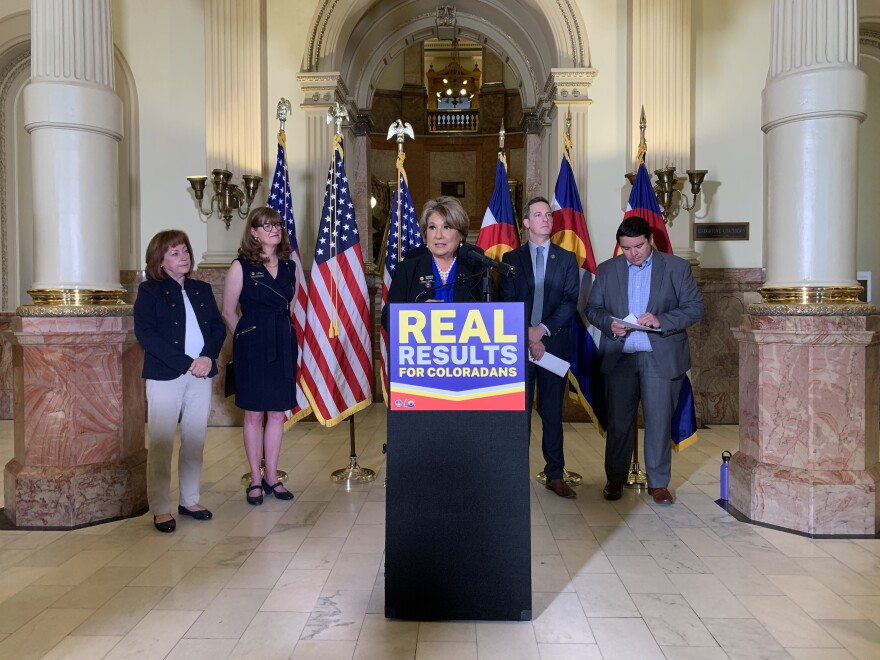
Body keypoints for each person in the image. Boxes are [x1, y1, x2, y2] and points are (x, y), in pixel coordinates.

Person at [586, 216, 704, 504]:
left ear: (650, 240)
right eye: (626, 248)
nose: (633, 253)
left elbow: (695, 308)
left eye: (638, 246)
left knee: (659, 422)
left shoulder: (676, 268)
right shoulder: (607, 270)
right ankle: (615, 479)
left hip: (659, 358)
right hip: (620, 358)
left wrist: (661, 320)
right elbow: (593, 309)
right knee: (619, 423)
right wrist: (609, 324)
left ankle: (658, 484)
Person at [134, 230, 226, 533]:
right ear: (160, 261)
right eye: (174, 253)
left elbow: (217, 328)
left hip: (201, 373)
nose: (183, 256)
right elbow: (146, 334)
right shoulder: (150, 291)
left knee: (195, 439)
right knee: (162, 442)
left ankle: (190, 500)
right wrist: (187, 363)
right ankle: (161, 508)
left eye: (185, 250)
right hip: (165, 375)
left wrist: (207, 357)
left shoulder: (201, 289)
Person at [500, 196, 580, 499]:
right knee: (518, 414)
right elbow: (507, 300)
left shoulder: (567, 259)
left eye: (548, 214)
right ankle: (514, 475)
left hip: (553, 346)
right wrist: (527, 334)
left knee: (552, 414)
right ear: (526, 222)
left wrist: (541, 331)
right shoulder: (511, 258)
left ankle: (555, 475)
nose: (545, 218)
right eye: (538, 214)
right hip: (519, 347)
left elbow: (569, 301)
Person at [222, 206, 297, 506]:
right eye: (266, 226)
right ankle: (255, 478)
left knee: (277, 413)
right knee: (253, 414)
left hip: (283, 343)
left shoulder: (290, 267)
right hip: (252, 346)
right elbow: (228, 311)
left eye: (277, 224)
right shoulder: (240, 266)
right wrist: (247, 336)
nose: (274, 229)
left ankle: (272, 477)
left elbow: (290, 308)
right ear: (253, 232)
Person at [382, 196, 490, 328]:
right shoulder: (407, 269)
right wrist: (418, 312)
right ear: (425, 233)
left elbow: (495, 315)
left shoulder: (477, 268)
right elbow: (387, 318)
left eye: (447, 227)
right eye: (432, 227)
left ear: (461, 235)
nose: (438, 235)